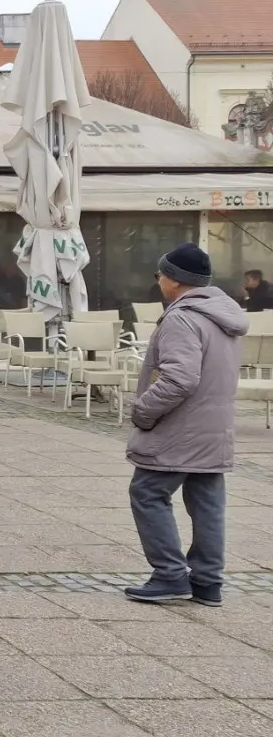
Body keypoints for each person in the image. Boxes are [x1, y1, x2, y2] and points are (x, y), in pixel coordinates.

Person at [124, 243, 247, 607]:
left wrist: (143, 410)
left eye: (160, 274)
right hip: (214, 427)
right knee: (207, 503)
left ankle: (169, 575)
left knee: (147, 492)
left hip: (181, 428)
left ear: (175, 280)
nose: (158, 280)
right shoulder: (225, 315)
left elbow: (180, 379)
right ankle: (207, 582)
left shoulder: (182, 317)